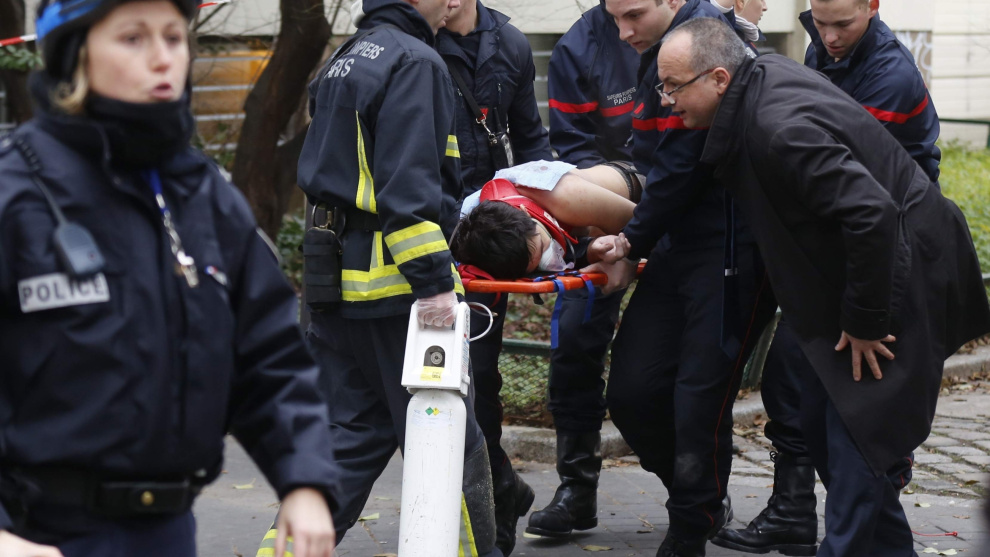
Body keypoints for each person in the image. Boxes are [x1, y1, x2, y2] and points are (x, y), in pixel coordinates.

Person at [0, 0, 339, 555]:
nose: (163, 58)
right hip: (36, 535)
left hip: (169, 531)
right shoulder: (14, 195)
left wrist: (303, 480)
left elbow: (268, 356)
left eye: (174, 37)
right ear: (75, 55)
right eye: (133, 38)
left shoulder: (203, 195)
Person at [649, 17, 990, 556]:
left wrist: (865, 321)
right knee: (825, 425)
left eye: (673, 86)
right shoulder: (760, 79)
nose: (666, 100)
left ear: (718, 78)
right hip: (872, 269)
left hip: (901, 274)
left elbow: (871, 214)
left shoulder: (776, 128)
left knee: (857, 440)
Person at [256, 0, 502, 556]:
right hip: (399, 295)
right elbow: (408, 192)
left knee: (345, 442)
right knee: (449, 443)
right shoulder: (415, 62)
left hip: (334, 284)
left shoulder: (346, 57)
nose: (455, 2)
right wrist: (434, 284)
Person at [713, 1, 942, 553]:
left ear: (873, 7)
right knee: (792, 380)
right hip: (845, 251)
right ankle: (796, 508)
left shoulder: (889, 75)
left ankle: (874, 488)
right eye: (820, 21)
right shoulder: (822, 50)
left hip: (888, 253)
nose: (830, 36)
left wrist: (864, 317)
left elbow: (865, 201)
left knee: (852, 416)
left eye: (844, 23)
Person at [582, 1, 778, 556]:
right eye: (613, 18)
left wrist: (629, 241)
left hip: (731, 253)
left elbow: (680, 170)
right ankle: (701, 497)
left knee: (698, 400)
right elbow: (650, 163)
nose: (623, 32)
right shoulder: (662, 56)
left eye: (633, 15)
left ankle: (692, 523)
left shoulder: (708, 51)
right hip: (673, 246)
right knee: (632, 392)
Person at [436, 3, 551, 551]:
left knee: (479, 376)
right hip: (428, 238)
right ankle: (500, 486)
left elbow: (531, 143)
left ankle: (494, 503)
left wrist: (534, 231)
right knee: (445, 380)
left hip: (488, 239)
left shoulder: (509, 43)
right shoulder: (413, 42)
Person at [527, 1, 641, 538]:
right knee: (573, 342)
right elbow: (573, 156)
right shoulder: (578, 47)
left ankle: (699, 492)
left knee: (685, 362)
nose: (628, 29)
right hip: (603, 215)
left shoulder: (699, 26)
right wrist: (605, 237)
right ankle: (576, 488)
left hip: (687, 216)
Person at [451, 170, 635, 279]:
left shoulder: (567, 197)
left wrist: (628, 261)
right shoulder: (476, 243)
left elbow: (646, 225)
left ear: (525, 212)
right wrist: (591, 250)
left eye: (543, 248)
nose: (550, 260)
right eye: (539, 264)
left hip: (638, 193)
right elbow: (564, 259)